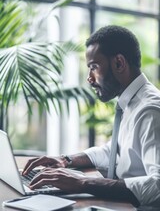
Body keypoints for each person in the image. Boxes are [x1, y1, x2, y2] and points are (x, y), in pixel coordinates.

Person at [22, 25, 160, 208]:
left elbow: (157, 185)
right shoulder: (131, 103)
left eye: (94, 67)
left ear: (119, 63)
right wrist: (66, 160)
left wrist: (82, 183)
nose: (89, 78)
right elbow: (114, 151)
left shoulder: (150, 111)